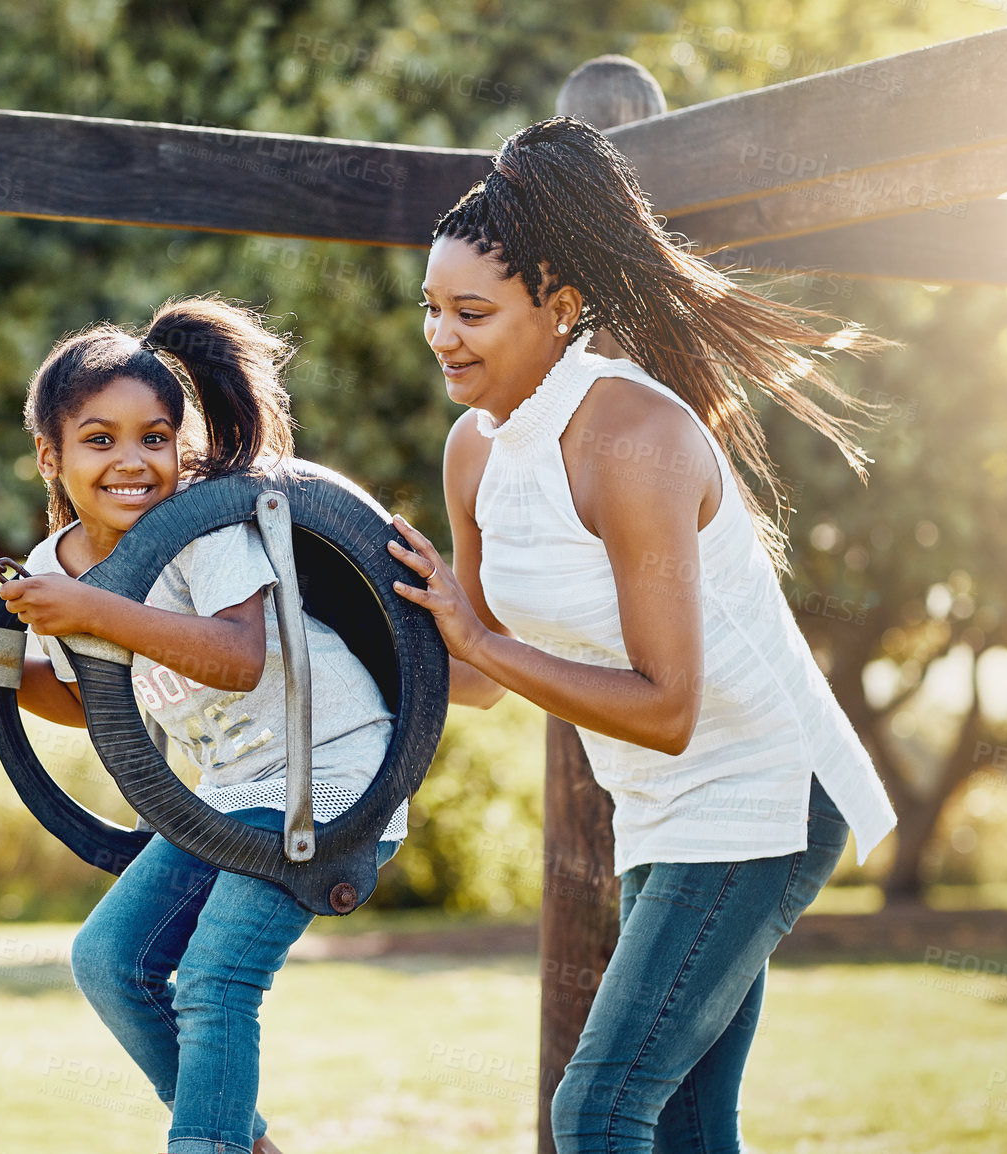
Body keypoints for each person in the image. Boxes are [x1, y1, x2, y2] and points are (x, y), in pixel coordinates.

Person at [387, 116, 899, 1153]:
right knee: (685, 1122)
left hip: (766, 790)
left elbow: (668, 706)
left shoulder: (634, 435)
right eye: (432, 308)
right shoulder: (473, 450)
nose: (443, 335)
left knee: (599, 1107)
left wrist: (480, 644)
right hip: (660, 809)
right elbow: (472, 665)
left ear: (561, 309)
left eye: (472, 311)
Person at [0, 297, 408, 1154]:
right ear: (48, 457)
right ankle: (242, 1144)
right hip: (231, 795)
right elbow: (92, 701)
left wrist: (94, 610)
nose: (131, 462)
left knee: (214, 980)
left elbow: (238, 657)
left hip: (331, 774)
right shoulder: (56, 568)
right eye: (99, 440)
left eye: (154, 437)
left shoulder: (201, 528)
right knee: (111, 962)